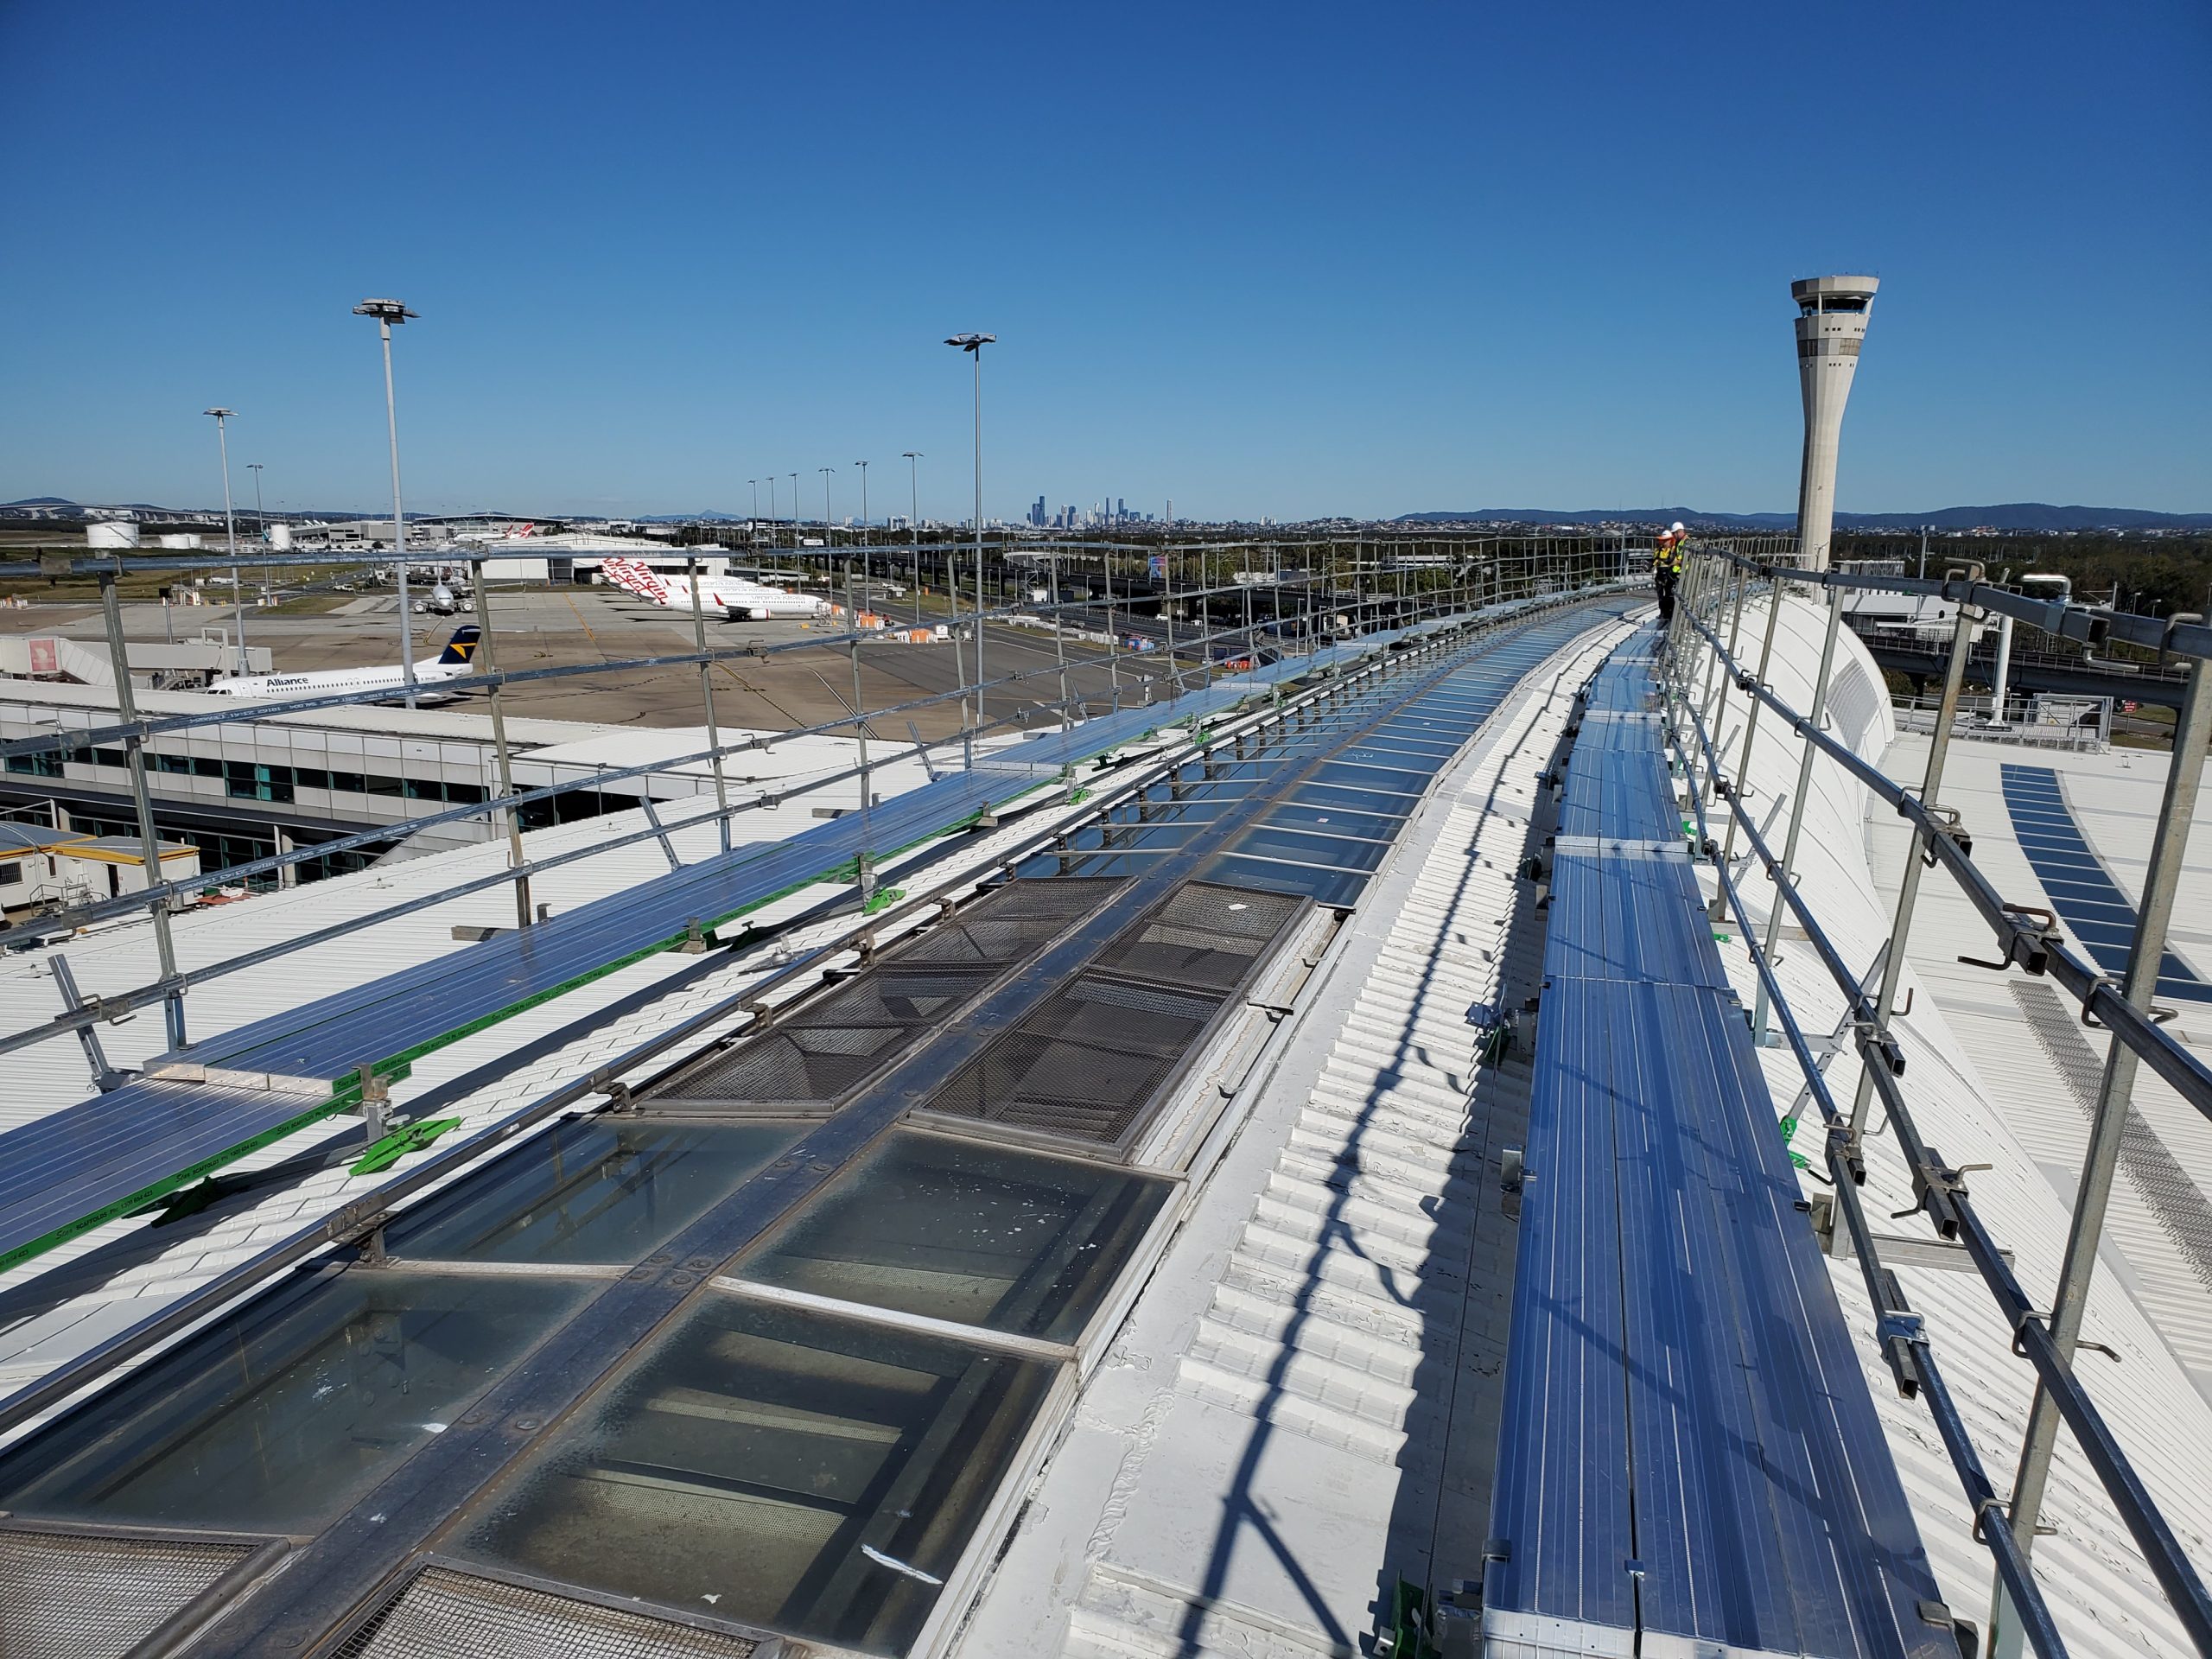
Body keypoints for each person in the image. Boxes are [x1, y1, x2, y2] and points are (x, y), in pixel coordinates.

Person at [1654, 522, 1685, 624]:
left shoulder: (1674, 549)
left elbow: (1677, 559)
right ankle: (1663, 612)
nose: (1664, 543)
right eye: (1662, 541)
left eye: (1666, 541)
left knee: (1669, 594)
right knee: (1661, 595)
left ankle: (1670, 613)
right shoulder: (1658, 550)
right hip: (1661, 574)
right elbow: (1655, 560)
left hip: (1671, 573)